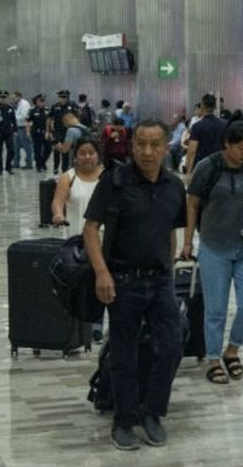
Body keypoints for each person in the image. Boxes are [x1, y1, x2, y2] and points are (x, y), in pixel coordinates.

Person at [83, 119, 186, 451]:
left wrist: (169, 269)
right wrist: (102, 273)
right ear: (132, 146)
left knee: (170, 346)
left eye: (155, 144)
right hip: (123, 282)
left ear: (167, 146)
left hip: (160, 282)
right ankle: (124, 420)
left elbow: (171, 231)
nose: (147, 151)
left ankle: (153, 412)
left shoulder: (173, 185)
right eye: (141, 143)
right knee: (123, 355)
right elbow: (90, 229)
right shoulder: (114, 182)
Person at [183, 121, 243, 385]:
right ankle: (213, 358)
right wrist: (188, 241)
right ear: (227, 144)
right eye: (241, 149)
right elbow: (192, 204)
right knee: (216, 308)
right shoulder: (207, 168)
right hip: (213, 248)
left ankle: (233, 349)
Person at [183, 94, 227, 183]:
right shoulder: (225, 124)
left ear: (202, 106)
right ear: (215, 107)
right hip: (221, 165)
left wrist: (188, 172)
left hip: (202, 166)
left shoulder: (197, 126)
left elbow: (192, 151)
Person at [47, 90, 78, 175]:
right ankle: (56, 168)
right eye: (61, 97)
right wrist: (48, 131)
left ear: (67, 98)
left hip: (68, 132)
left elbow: (77, 118)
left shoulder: (72, 106)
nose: (63, 99)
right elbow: (49, 118)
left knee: (65, 151)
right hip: (57, 131)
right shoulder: (55, 107)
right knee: (57, 150)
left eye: (65, 97)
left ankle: (64, 169)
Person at [28, 95, 50, 173]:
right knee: (37, 150)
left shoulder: (47, 110)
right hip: (36, 133)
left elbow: (50, 120)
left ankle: (43, 161)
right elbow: (28, 121)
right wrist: (28, 132)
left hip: (46, 132)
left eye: (43, 101)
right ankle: (38, 165)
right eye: (40, 101)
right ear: (36, 102)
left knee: (48, 149)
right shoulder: (32, 110)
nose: (42, 103)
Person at [12, 91, 33, 170]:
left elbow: (23, 116)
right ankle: (16, 162)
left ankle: (29, 163)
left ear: (19, 96)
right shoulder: (18, 104)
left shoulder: (24, 104)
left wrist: (14, 117)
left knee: (27, 146)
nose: (13, 100)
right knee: (16, 146)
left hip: (24, 127)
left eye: (14, 98)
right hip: (18, 127)